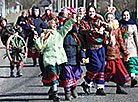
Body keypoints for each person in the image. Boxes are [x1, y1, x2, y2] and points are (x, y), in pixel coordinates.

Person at [34, 16, 76, 102]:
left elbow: (67, 27)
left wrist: (72, 19)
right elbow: (39, 47)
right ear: (49, 25)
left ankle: (51, 92)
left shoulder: (60, 34)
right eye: (52, 24)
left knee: (57, 78)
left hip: (60, 60)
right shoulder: (45, 35)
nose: (54, 25)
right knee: (53, 78)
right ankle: (55, 95)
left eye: (55, 24)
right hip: (49, 60)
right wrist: (37, 39)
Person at [79, 5, 108, 95]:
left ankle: (100, 88)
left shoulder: (99, 20)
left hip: (100, 47)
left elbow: (107, 29)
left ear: (95, 12)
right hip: (90, 48)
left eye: (93, 11)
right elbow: (81, 31)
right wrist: (90, 30)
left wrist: (105, 28)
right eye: (89, 12)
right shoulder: (84, 21)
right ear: (87, 12)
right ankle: (87, 82)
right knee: (97, 65)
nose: (91, 13)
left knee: (102, 67)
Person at [59, 9, 86, 100]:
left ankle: (74, 88)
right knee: (67, 76)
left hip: (75, 59)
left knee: (76, 75)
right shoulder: (62, 36)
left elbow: (81, 47)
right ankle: (67, 93)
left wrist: (83, 57)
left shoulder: (77, 37)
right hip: (65, 60)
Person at [104, 12, 131, 94]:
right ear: (106, 19)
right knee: (109, 71)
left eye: (111, 17)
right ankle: (96, 84)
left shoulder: (117, 28)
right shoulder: (103, 28)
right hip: (108, 54)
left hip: (117, 53)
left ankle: (119, 87)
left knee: (121, 71)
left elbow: (120, 41)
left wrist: (126, 53)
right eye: (108, 18)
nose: (110, 19)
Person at [119, 9, 138, 87]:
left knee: (131, 63)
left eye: (127, 15)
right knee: (123, 64)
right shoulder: (119, 25)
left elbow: (136, 37)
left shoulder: (133, 25)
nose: (125, 17)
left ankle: (133, 78)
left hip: (131, 47)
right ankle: (123, 79)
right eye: (124, 15)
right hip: (121, 48)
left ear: (129, 16)